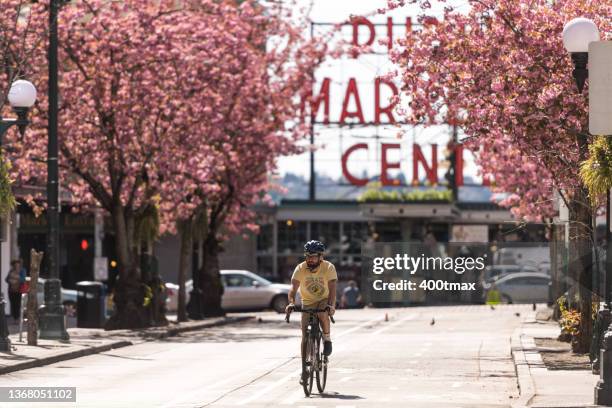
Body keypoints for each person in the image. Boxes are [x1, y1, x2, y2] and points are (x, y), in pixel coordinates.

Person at [286, 240, 337, 383]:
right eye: (308, 256)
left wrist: (331, 305)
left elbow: (332, 288)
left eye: (313, 256)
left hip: (323, 299)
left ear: (321, 256)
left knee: (322, 314)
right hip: (307, 302)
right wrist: (291, 303)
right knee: (304, 336)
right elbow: (293, 288)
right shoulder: (300, 268)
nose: (310, 259)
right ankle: (304, 370)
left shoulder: (328, 267)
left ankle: (326, 339)